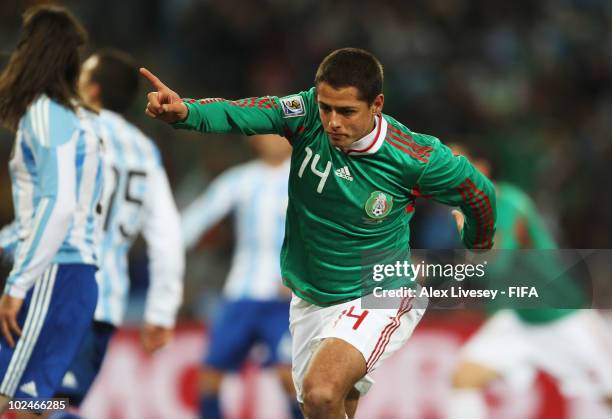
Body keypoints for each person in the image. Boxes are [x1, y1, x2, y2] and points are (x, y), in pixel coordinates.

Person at [141, 48, 497, 419]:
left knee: (321, 392)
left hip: (377, 290)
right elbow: (246, 112)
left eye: (346, 111)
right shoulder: (306, 112)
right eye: (326, 107)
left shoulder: (413, 157)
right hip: (310, 296)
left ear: (377, 104)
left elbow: (477, 191)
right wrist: (186, 112)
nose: (332, 122)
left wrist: (477, 240)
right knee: (332, 406)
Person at [53, 49, 184, 410]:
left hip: (54, 289)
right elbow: (167, 235)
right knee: (55, 404)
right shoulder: (145, 150)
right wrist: (162, 309)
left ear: (92, 90)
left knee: (37, 403)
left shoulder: (67, 128)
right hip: (104, 301)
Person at [445, 144, 612, 419]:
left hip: (562, 316)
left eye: (456, 162)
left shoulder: (510, 201)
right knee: (463, 378)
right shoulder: (466, 214)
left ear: (482, 169)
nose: (447, 171)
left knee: (608, 392)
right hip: (520, 318)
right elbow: (494, 277)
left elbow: (498, 263)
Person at [0, 5, 102, 416]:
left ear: (31, 51)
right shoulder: (80, 119)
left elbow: (57, 206)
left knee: (14, 400)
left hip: (51, 274)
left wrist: (17, 284)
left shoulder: (46, 114)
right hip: (75, 275)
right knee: (33, 403)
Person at [182, 134, 302, 419]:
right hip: (241, 293)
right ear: (255, 139)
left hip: (285, 298)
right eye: (268, 131)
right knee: (209, 379)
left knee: (292, 380)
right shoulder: (240, 180)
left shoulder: (307, 180)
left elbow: (329, 233)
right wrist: (166, 248)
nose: (275, 138)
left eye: (281, 130)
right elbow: (196, 218)